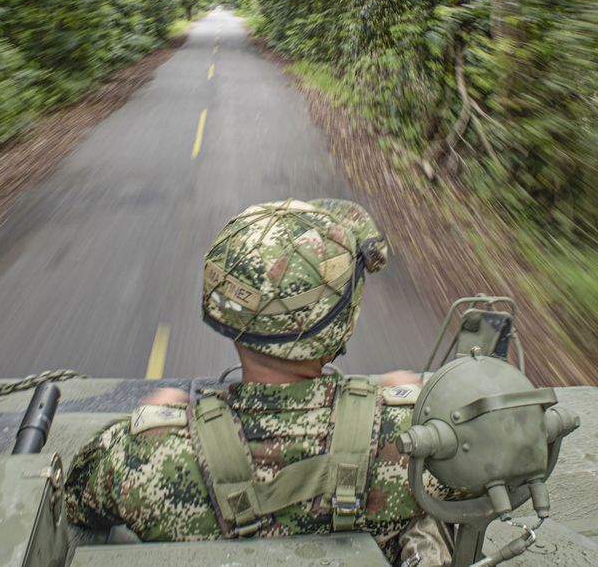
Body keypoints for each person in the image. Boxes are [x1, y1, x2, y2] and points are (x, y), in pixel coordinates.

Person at [64, 199, 449, 566]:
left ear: (230, 319)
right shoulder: (418, 440)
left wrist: (150, 418)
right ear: (339, 325)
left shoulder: (142, 457)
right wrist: (409, 398)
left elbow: (76, 501)